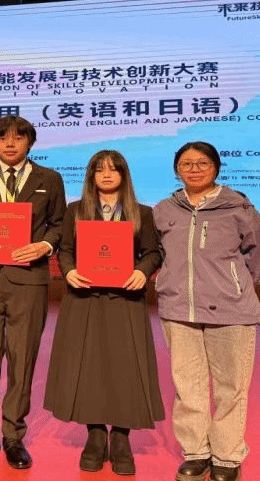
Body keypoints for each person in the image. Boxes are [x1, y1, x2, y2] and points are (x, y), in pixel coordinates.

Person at [44, 150, 164, 475]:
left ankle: (121, 438)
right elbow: (65, 251)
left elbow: (153, 252)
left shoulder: (142, 213)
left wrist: (142, 271)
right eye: (100, 170)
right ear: (91, 176)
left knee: (126, 367)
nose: (107, 175)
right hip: (84, 298)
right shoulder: (75, 211)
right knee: (88, 367)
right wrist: (68, 271)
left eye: (113, 169)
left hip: (126, 299)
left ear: (124, 175)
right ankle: (95, 435)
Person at [0, 115, 66, 470]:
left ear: (29, 142)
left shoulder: (49, 179)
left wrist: (44, 246)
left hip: (29, 279)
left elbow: (59, 225)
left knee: (23, 359)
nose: (10, 143)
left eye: (18, 138)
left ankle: (14, 436)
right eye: (2, 138)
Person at [152, 142, 260, 481]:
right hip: (178, 308)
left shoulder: (239, 208)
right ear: (177, 170)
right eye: (186, 164)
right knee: (188, 386)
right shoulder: (164, 210)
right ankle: (196, 452)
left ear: (216, 167)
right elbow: (159, 253)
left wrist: (234, 286)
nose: (195, 169)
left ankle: (227, 456)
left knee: (231, 387)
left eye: (202, 163)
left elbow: (253, 256)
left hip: (231, 309)